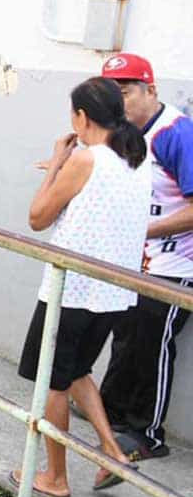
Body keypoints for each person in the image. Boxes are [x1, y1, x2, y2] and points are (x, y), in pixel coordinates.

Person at [12, 77, 148, 497]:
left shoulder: (86, 160)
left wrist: (56, 161)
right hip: (112, 292)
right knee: (77, 372)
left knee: (51, 381)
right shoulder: (137, 161)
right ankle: (112, 452)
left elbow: (37, 217)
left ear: (81, 117)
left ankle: (55, 477)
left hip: (71, 291)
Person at [97, 53, 193, 461]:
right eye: (111, 95)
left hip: (176, 267)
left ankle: (147, 434)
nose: (119, 103)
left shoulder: (176, 134)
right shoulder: (120, 134)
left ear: (150, 90)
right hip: (134, 261)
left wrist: (142, 231)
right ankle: (111, 416)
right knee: (125, 338)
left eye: (126, 92)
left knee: (152, 344)